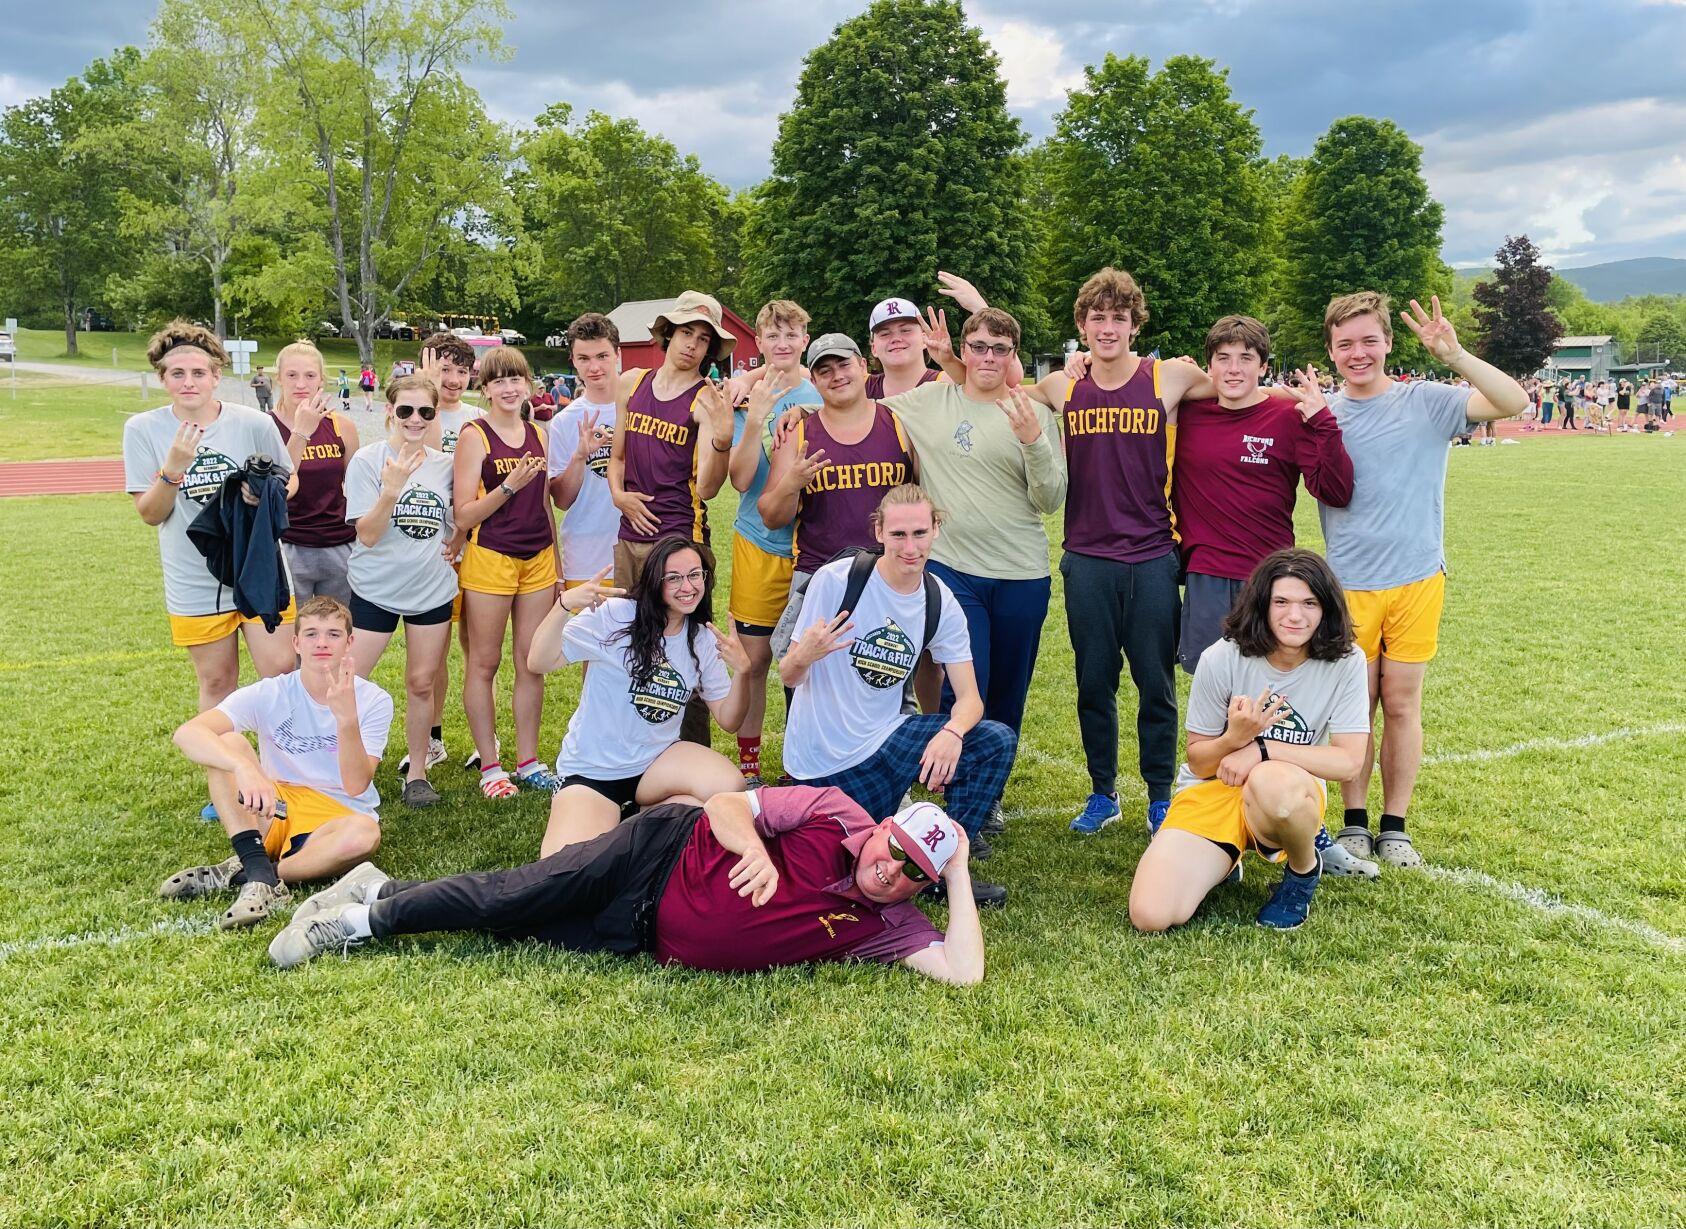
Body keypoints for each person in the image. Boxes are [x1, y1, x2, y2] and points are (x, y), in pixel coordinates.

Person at [268, 787, 984, 984]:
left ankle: (379, 886)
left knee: (508, 919)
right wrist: (753, 852)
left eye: (912, 875)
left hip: (639, 933)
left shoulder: (891, 924)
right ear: (883, 828)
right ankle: (354, 926)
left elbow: (963, 971)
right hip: (659, 849)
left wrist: (955, 870)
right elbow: (726, 804)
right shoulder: (833, 812)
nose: (891, 872)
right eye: (895, 852)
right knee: (515, 894)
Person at [1319, 292, 1528, 868]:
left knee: (1402, 703)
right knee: (1354, 708)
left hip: (1416, 579)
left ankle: (1395, 825)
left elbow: (1514, 400)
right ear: (1331, 352)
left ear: (1389, 342)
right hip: (1348, 585)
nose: (1358, 353)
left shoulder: (1427, 402)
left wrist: (1454, 354)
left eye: (1369, 340)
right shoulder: (1322, 413)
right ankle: (1355, 821)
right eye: (1345, 344)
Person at [1025, 268, 1213, 836]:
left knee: (1156, 683)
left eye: (1119, 318)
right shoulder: (1061, 386)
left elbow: (1239, 389)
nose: (1108, 328)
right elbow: (992, 385)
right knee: (1094, 683)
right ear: (1081, 326)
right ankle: (1102, 792)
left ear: (1135, 325)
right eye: (1097, 318)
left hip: (1153, 555)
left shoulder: (1169, 376)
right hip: (1086, 558)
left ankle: (1159, 795)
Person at [780, 485, 1014, 906]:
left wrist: (953, 733)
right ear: (879, 532)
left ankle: (942, 869)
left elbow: (971, 700)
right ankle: (879, 836)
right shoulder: (837, 581)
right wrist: (805, 654)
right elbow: (788, 674)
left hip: (886, 744)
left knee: (995, 740)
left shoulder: (938, 600)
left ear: (936, 529)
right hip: (819, 764)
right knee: (829, 874)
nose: (910, 547)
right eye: (899, 535)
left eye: (920, 533)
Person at [1128, 550, 1369, 932]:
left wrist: (1261, 749)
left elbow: (1349, 762)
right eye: (1281, 602)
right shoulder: (1222, 657)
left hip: (1285, 791)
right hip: (1215, 790)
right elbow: (1200, 763)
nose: (1295, 616)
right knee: (1150, 915)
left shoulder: (1346, 661)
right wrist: (1234, 738)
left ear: (1326, 608)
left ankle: (1303, 872)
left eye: (1309, 603)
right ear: (1262, 605)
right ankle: (1225, 860)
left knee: (1271, 782)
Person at [874, 308, 1066, 741]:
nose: (988, 357)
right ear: (963, 350)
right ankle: (954, 770)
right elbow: (860, 412)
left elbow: (1050, 500)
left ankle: (993, 775)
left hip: (1021, 573)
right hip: (954, 570)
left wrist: (1032, 441)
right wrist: (799, 409)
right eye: (978, 347)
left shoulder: (1033, 412)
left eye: (1000, 349)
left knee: (1008, 694)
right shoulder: (931, 400)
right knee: (965, 684)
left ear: (1013, 356)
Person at [160, 596, 391, 930]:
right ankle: (257, 866)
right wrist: (242, 767)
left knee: (365, 835)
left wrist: (347, 720)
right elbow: (187, 734)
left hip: (338, 815)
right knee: (228, 744)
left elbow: (356, 785)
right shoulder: (272, 691)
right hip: (276, 806)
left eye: (333, 634)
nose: (322, 643)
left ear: (349, 642)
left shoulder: (374, 699)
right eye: (311, 634)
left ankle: (257, 873)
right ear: (296, 643)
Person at [527, 536, 752, 855]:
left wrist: (743, 672)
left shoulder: (700, 637)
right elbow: (538, 662)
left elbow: (729, 720)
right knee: (569, 866)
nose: (688, 587)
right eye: (674, 578)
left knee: (729, 786)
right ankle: (620, 819)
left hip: (655, 764)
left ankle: (640, 814)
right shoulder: (617, 616)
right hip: (593, 772)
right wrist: (563, 605)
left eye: (695, 575)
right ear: (654, 581)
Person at [123, 320, 296, 717]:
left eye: (199, 373)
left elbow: (290, 481)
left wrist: (264, 493)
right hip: (193, 577)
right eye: (177, 374)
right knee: (218, 681)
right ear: (162, 379)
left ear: (216, 376)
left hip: (258, 565)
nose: (189, 382)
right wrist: (172, 471)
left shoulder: (253, 422)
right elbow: (150, 514)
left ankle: (279, 756)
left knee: (281, 671)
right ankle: (224, 759)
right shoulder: (143, 430)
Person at [606, 290, 737, 746]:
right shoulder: (631, 383)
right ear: (668, 332)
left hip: (680, 539)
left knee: (686, 648)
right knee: (628, 640)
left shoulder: (705, 400)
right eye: (686, 333)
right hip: (630, 534)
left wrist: (722, 440)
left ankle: (690, 751)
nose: (693, 345)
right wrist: (619, 496)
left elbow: (709, 488)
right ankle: (628, 748)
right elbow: (617, 458)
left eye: (704, 339)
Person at [343, 373, 461, 808]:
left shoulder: (446, 465)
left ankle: (417, 773)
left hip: (431, 591)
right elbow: (368, 535)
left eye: (425, 411)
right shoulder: (368, 461)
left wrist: (460, 541)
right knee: (351, 682)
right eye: (406, 410)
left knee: (421, 682)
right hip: (374, 590)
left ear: (434, 414)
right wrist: (391, 491)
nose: (415, 419)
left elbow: (461, 519)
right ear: (390, 410)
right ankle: (344, 768)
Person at [762, 333, 917, 660]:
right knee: (808, 676)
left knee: (885, 674)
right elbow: (771, 516)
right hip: (819, 575)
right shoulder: (799, 434)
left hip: (888, 572)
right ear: (814, 381)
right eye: (825, 370)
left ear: (863, 366)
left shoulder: (900, 423)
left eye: (844, 365)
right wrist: (791, 483)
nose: (837, 376)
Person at [453, 345, 560, 798]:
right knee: (485, 661)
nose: (509, 388)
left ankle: (529, 761)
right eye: (498, 380)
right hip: (491, 558)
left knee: (531, 661)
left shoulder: (539, 433)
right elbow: (463, 515)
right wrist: (508, 486)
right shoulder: (474, 435)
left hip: (537, 558)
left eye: (515, 378)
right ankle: (491, 767)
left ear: (528, 383)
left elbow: (546, 503)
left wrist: (558, 565)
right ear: (486, 388)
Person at [724, 300, 818, 783]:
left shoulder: (822, 389)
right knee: (756, 660)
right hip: (759, 542)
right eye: (773, 336)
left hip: (814, 544)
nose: (783, 344)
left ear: (805, 339)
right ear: (758, 341)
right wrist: (757, 417)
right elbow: (740, 481)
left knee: (810, 661)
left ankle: (806, 762)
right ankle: (750, 764)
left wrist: (805, 407)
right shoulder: (745, 395)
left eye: (791, 334)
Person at [410, 332, 481, 775]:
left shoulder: (479, 418)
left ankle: (484, 738)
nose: (452, 379)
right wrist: (427, 391)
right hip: (432, 548)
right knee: (431, 653)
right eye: (443, 369)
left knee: (478, 649)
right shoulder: (415, 414)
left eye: (460, 370)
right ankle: (433, 738)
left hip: (475, 546)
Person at [269, 340, 356, 606]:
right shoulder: (264, 426)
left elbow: (355, 489)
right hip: (288, 544)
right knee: (292, 627)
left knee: (337, 624)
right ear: (278, 378)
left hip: (338, 543)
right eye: (291, 375)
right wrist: (301, 432)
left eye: (309, 375)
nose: (300, 384)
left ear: (321, 380)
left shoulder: (341, 426)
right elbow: (273, 488)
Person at [548, 313, 621, 591]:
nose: (594, 367)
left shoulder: (641, 407)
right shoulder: (564, 421)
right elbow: (562, 501)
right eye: (584, 358)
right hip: (585, 554)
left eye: (602, 356)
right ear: (573, 361)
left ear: (617, 355)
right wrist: (579, 456)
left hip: (640, 548)